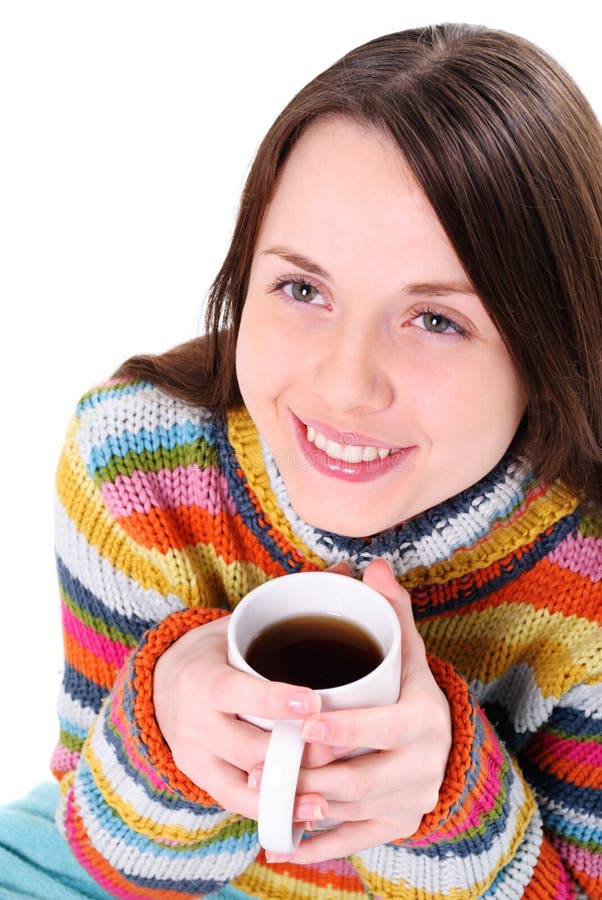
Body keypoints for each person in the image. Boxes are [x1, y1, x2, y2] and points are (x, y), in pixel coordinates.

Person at [1, 20, 601, 900]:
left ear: (550, 340)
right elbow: (106, 859)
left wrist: (446, 799)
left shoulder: (584, 564)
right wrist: (162, 724)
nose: (345, 386)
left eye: (436, 319)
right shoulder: (137, 461)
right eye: (302, 289)